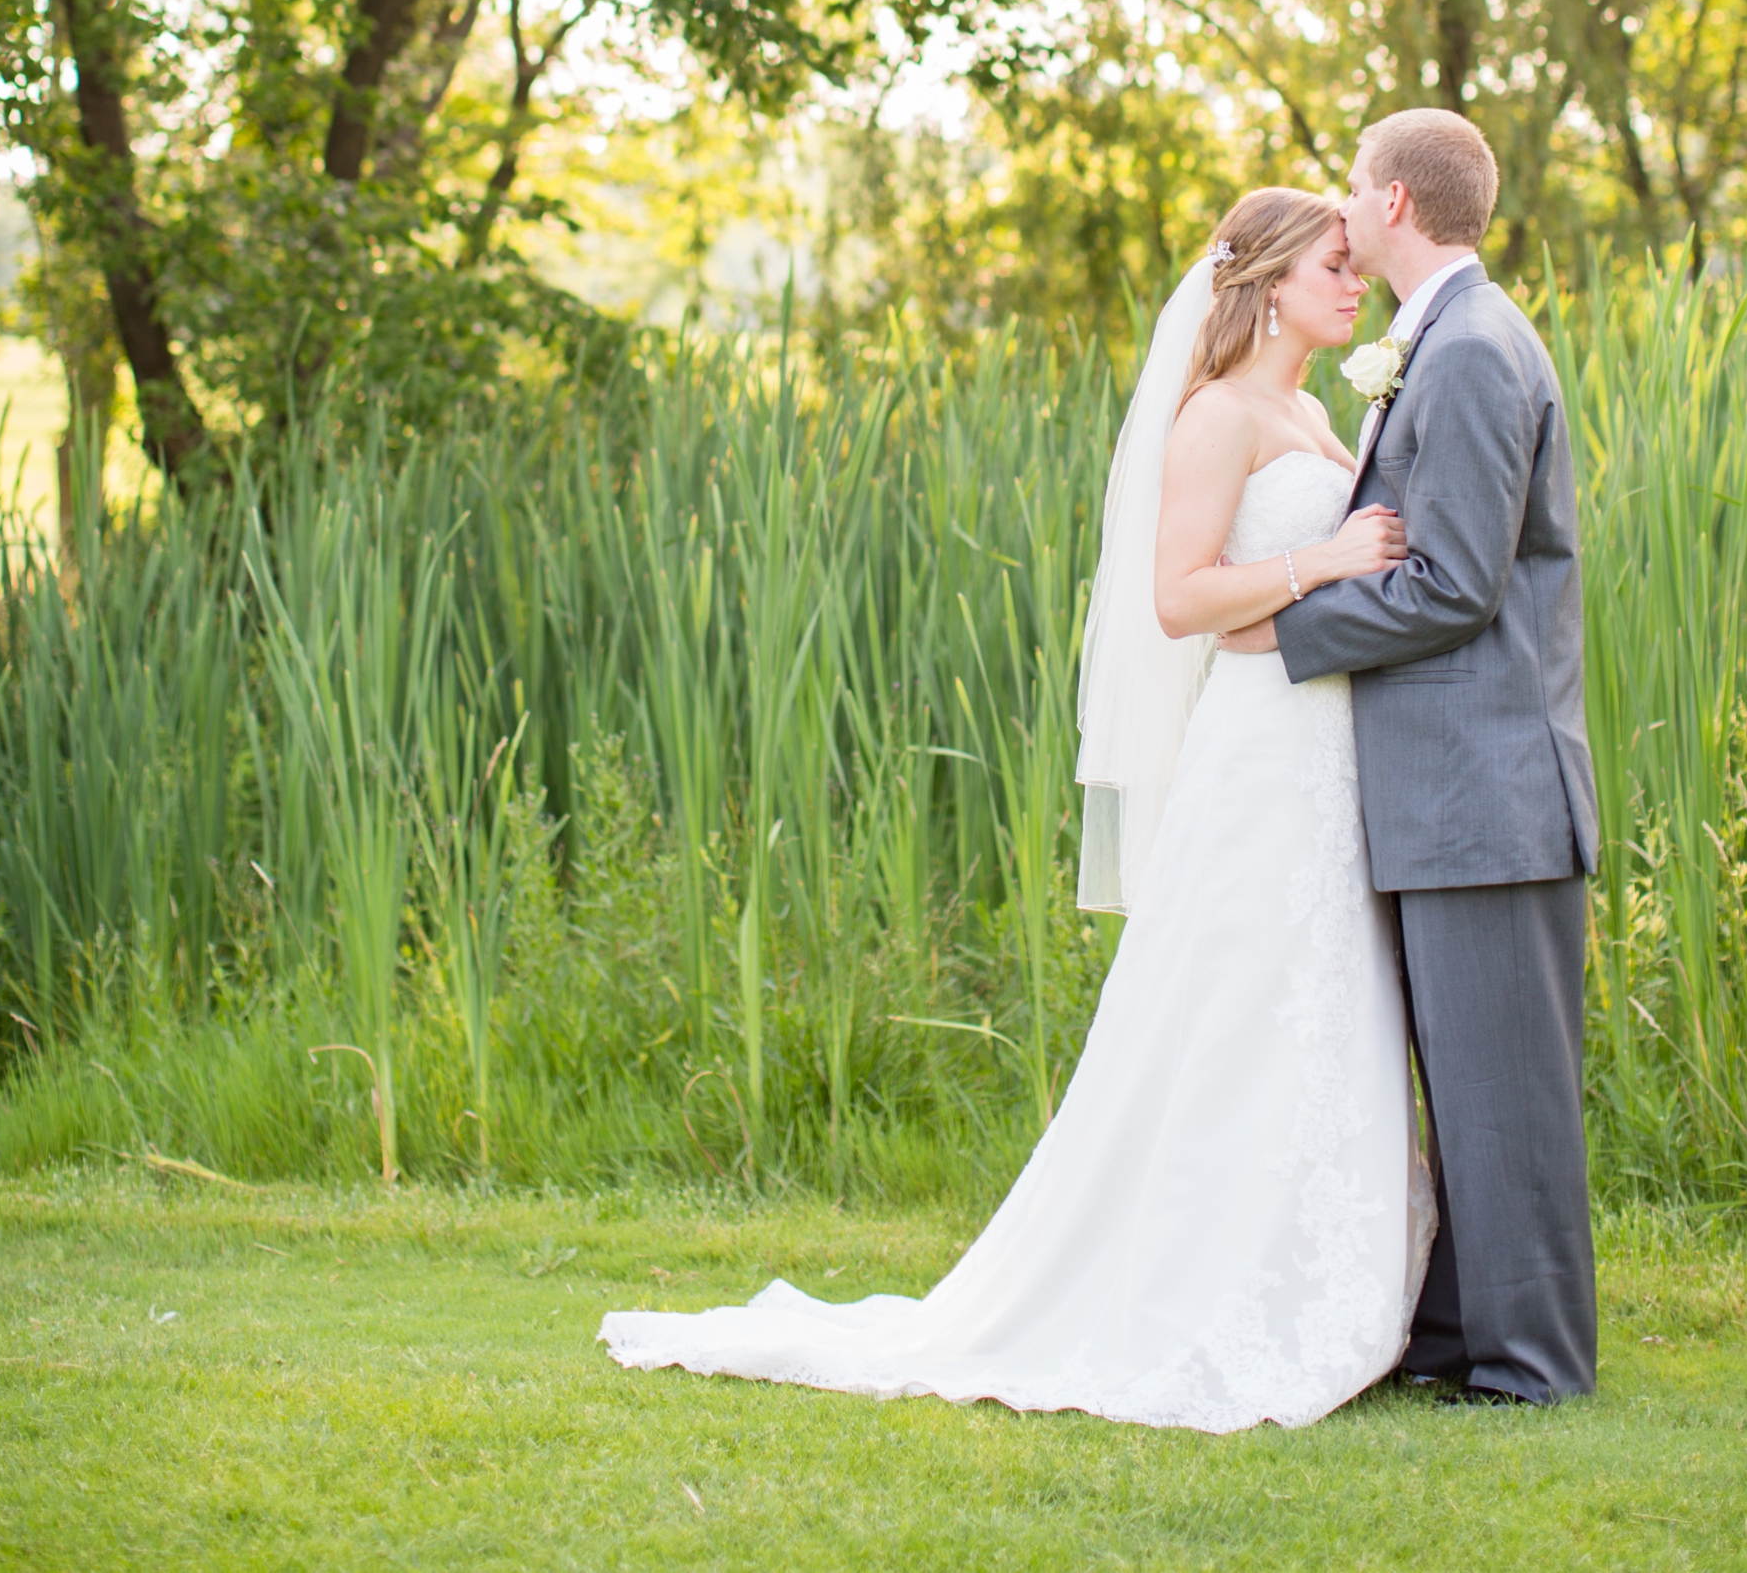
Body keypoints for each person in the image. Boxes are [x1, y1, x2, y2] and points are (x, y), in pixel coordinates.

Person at [600, 188, 1434, 1431]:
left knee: (1317, 1002)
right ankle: (1199, 1288)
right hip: (1258, 753)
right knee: (1240, 1006)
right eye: (1330, 262)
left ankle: (1317, 1274)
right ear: (1263, 281)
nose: (1351, 278)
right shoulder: (1211, 416)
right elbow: (1178, 597)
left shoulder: (1310, 409)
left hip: (1326, 747)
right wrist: (1326, 559)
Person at [1274, 109, 1598, 1406]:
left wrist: (1283, 623)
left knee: (1507, 1098)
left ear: (1395, 199)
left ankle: (1532, 1365)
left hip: (1487, 787)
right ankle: (1460, 1336)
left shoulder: (1468, 349)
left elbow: (1457, 582)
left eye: (1354, 188)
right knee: (1469, 1087)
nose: (1342, 212)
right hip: (1457, 786)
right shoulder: (1449, 337)